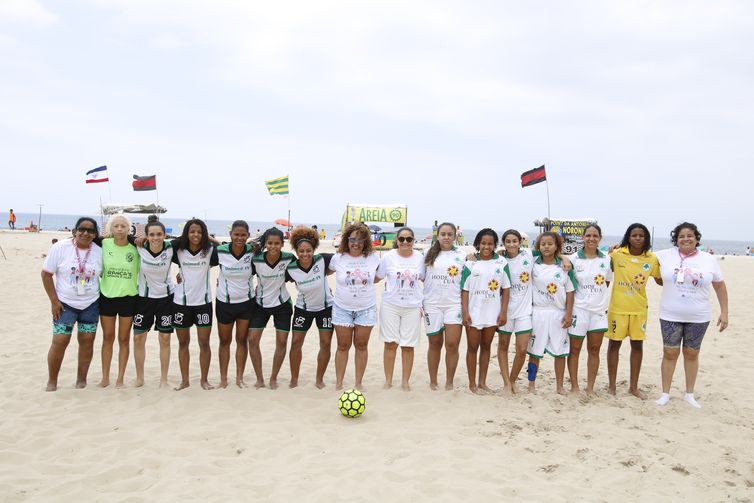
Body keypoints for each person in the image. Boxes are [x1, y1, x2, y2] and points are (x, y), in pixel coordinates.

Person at [655, 222, 729, 408]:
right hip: (670, 314)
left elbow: (719, 285)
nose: (686, 239)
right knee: (670, 352)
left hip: (699, 316)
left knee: (691, 353)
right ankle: (665, 393)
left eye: (690, 236)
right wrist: (617, 249)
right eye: (681, 236)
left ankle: (689, 394)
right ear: (676, 239)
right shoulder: (665, 255)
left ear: (696, 238)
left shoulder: (708, 259)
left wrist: (724, 312)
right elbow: (640, 256)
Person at [41, 217, 103, 391]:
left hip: (90, 304)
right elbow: (46, 275)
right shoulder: (60, 247)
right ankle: (52, 381)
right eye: (82, 229)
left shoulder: (99, 251)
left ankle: (81, 380)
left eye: (91, 231)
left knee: (87, 341)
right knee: (60, 341)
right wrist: (54, 301)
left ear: (95, 234)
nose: (85, 233)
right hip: (64, 304)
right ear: (75, 231)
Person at [606, 223, 661, 399]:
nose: (637, 238)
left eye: (641, 236)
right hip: (618, 309)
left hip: (639, 309)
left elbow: (661, 281)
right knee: (614, 345)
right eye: (634, 235)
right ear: (628, 237)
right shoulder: (616, 255)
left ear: (646, 239)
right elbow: (604, 272)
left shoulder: (651, 259)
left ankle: (633, 387)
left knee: (637, 345)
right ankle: (612, 386)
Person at [329, 223, 380, 390]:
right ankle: (339, 383)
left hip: (366, 309)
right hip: (342, 308)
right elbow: (322, 272)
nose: (356, 243)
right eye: (352, 239)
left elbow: (379, 277)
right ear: (346, 240)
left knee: (361, 345)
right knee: (342, 346)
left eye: (360, 240)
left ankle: (358, 383)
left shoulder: (373, 258)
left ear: (366, 241)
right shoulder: (338, 258)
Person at [460, 228, 511, 393]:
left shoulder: (502, 263)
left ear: (495, 245)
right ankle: (472, 384)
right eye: (483, 243)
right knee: (472, 347)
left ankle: (482, 382)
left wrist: (503, 312)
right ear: (478, 244)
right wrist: (465, 312)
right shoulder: (470, 263)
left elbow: (506, 288)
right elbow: (465, 290)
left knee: (486, 346)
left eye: (490, 244)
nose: (486, 247)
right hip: (474, 312)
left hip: (492, 312)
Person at [172, 218, 219, 390]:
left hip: (203, 303)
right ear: (186, 233)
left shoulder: (210, 251)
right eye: (192, 231)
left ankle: (204, 380)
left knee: (204, 343)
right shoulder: (178, 250)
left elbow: (225, 249)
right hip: (181, 303)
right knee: (183, 343)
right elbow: (165, 244)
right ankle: (185, 381)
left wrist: (211, 239)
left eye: (199, 232)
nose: (196, 235)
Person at [526, 232, 576, 395]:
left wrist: (568, 314)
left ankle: (559, 386)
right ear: (538, 246)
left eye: (550, 244)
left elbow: (570, 292)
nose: (546, 247)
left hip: (558, 314)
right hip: (538, 313)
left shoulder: (565, 267)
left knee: (560, 352)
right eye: (543, 244)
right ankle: (531, 384)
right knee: (534, 352)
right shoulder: (533, 262)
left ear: (556, 246)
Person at [376, 227, 425, 391]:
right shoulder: (388, 257)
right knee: (390, 343)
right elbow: (377, 277)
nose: (405, 242)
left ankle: (405, 382)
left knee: (408, 345)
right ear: (397, 241)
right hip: (391, 305)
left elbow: (425, 279)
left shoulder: (420, 258)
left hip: (412, 306)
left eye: (409, 239)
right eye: (402, 239)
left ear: (413, 241)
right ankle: (388, 381)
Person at [286, 227, 334, 388]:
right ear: (296, 251)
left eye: (308, 250)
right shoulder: (291, 267)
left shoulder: (322, 260)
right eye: (301, 251)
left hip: (325, 308)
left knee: (326, 343)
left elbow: (345, 259)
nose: (305, 254)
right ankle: (294, 379)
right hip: (303, 309)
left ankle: (319, 379)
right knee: (296, 343)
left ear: (314, 250)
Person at [567, 224, 612, 394]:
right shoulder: (573, 259)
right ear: (583, 237)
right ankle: (574, 386)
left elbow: (606, 283)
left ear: (600, 238)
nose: (591, 239)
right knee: (575, 349)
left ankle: (590, 388)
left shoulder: (607, 259)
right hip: (579, 310)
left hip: (598, 312)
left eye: (595, 235)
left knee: (594, 349)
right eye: (588, 235)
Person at [248, 228, 295, 389]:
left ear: (282, 244)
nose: (273, 246)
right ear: (265, 243)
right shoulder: (256, 259)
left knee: (282, 342)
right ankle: (260, 379)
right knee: (252, 340)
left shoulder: (289, 258)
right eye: (270, 243)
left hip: (282, 304)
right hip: (260, 304)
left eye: (277, 243)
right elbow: (241, 270)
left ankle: (273, 378)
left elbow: (304, 271)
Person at [98, 215, 140, 388]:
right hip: (107, 297)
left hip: (128, 298)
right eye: (116, 226)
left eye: (123, 226)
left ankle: (120, 378)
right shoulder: (103, 244)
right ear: (111, 229)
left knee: (124, 339)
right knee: (108, 338)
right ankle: (105, 377)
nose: (120, 229)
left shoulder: (136, 248)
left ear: (128, 229)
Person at [423, 222, 466, 390]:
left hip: (453, 305)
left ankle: (449, 382)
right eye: (443, 234)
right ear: (438, 235)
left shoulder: (462, 256)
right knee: (434, 343)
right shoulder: (427, 254)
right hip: (432, 305)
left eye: (450, 234)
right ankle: (433, 381)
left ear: (455, 236)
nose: (446, 237)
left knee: (452, 344)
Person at [132, 220, 175, 387]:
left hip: (165, 299)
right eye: (152, 234)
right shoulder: (139, 246)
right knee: (138, 338)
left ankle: (163, 379)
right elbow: (116, 236)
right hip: (144, 299)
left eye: (159, 234)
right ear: (146, 236)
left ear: (164, 235)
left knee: (164, 338)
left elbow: (198, 240)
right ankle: (140, 377)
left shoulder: (171, 247)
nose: (155, 238)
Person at [215, 220, 256, 388]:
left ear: (248, 236)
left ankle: (239, 378)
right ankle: (223, 379)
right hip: (224, 303)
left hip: (246, 303)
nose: (239, 237)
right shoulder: (220, 251)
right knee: (224, 342)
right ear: (230, 234)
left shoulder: (253, 252)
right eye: (236, 234)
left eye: (243, 235)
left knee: (241, 341)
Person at [496, 229, 536, 394]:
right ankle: (506, 382)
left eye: (515, 241)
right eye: (508, 241)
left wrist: (563, 258)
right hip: (504, 309)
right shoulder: (499, 260)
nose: (511, 244)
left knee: (521, 349)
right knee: (503, 345)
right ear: (504, 243)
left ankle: (512, 380)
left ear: (520, 242)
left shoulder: (528, 255)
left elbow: (552, 250)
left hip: (524, 310)